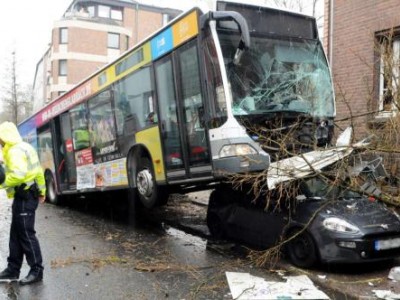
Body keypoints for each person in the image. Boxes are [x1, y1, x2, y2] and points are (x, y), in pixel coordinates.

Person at [0, 121, 46, 285]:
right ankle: (13, 270)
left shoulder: (14, 151)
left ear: (5, 138)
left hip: (25, 196)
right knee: (16, 234)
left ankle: (37, 270)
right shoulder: (26, 147)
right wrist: (42, 191)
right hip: (26, 196)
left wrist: (2, 184)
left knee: (26, 234)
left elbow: (18, 175)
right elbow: (38, 170)